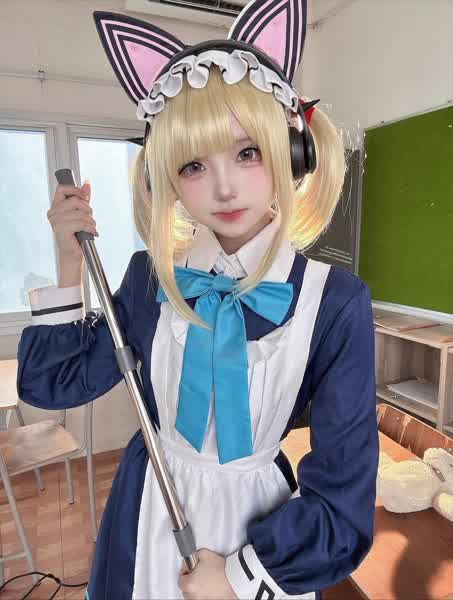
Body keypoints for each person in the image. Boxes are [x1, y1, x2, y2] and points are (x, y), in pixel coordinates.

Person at [17, 1, 379, 598]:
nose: (225, 186)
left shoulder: (335, 302)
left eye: (247, 152)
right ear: (165, 179)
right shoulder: (150, 278)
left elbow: (344, 498)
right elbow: (52, 386)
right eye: (193, 165)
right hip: (147, 511)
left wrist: (238, 576)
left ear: (294, 153)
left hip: (263, 533)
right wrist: (67, 262)